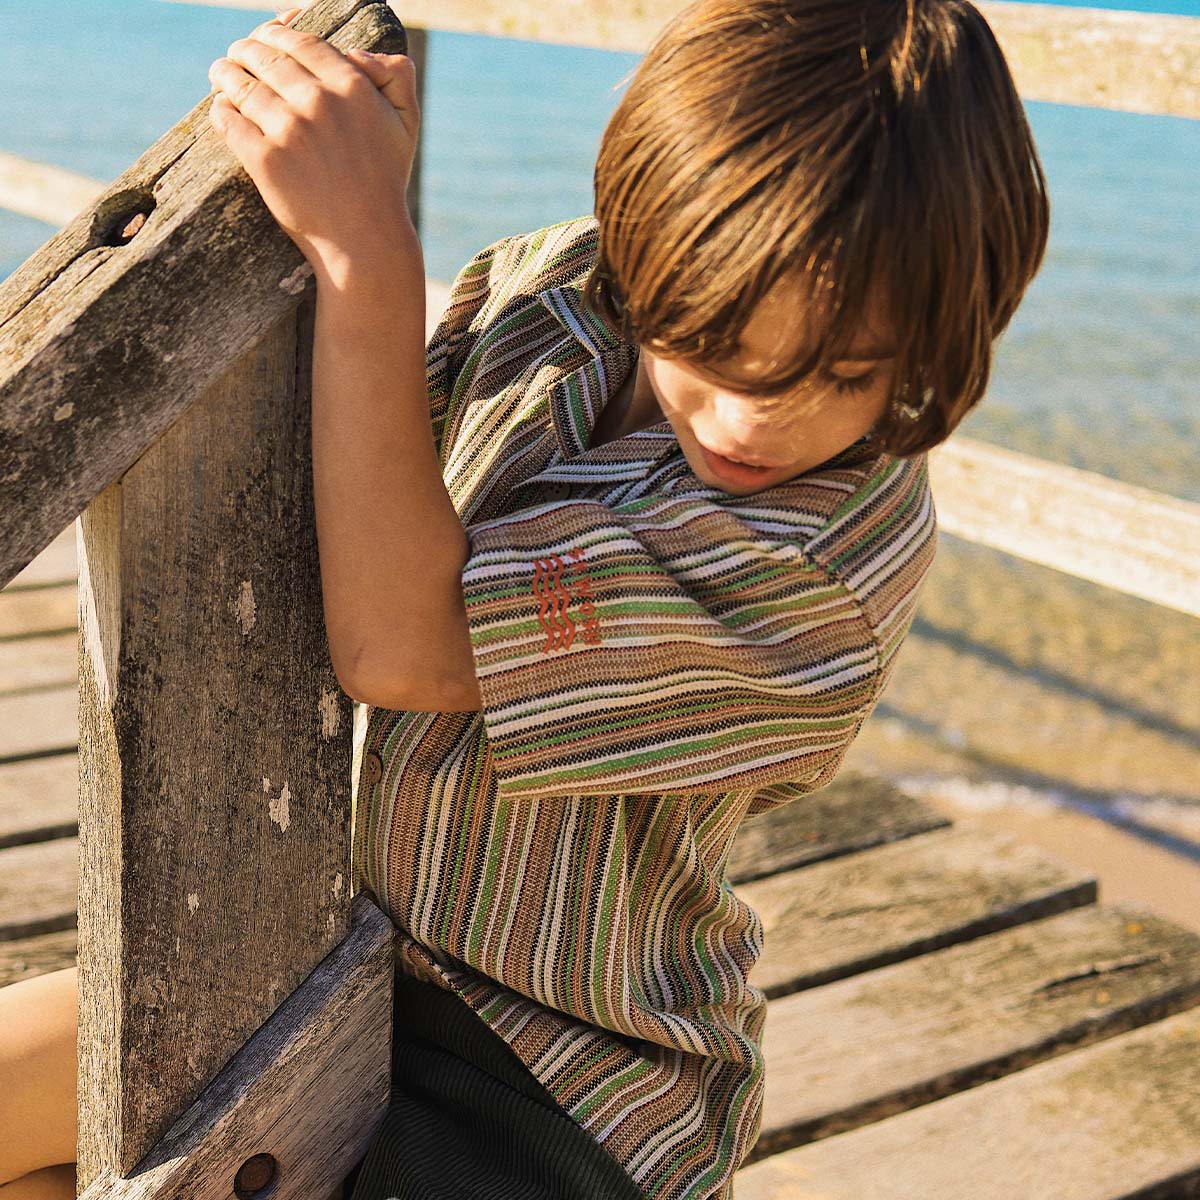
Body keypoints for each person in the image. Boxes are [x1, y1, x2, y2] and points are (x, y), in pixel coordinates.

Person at [0, 1, 1048, 1198]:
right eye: (705, 349)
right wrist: (331, 178)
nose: (755, 420)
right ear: (641, 253)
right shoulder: (556, 291)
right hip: (322, 934)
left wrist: (369, 257)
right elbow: (353, 462)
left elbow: (405, 647)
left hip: (557, 1067)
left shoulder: (820, 573)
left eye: (846, 375)